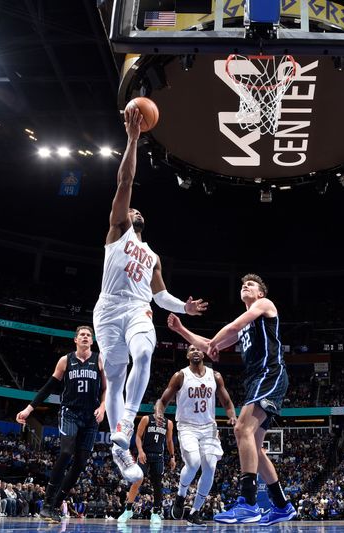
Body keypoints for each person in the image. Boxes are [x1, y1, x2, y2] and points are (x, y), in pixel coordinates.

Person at [93, 100, 207, 484]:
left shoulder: (153, 255)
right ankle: (118, 447)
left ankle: (125, 421)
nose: (134, 211)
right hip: (108, 307)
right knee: (114, 370)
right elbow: (125, 182)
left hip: (138, 308)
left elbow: (161, 298)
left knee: (144, 351)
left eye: (139, 211)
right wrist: (132, 139)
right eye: (132, 210)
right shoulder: (116, 231)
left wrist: (185, 308)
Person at [166, 274, 296, 525]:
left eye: (251, 285)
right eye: (242, 285)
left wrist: (215, 344)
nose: (245, 286)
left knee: (241, 428)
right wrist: (181, 329)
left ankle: (248, 503)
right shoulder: (246, 326)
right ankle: (281, 506)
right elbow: (207, 345)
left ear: (260, 293)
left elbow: (228, 332)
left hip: (269, 374)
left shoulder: (265, 305)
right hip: (256, 379)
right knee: (254, 448)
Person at [16, 325, 106, 522]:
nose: (85, 337)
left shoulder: (99, 359)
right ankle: (47, 504)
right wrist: (29, 409)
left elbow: (107, 388)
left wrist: (104, 406)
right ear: (75, 340)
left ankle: (57, 504)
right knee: (66, 453)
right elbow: (49, 387)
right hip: (70, 412)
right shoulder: (66, 360)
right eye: (81, 334)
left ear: (92, 340)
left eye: (88, 335)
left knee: (81, 463)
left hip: (91, 417)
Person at [153, 346, 237, 526]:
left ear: (204, 353)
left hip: (209, 427)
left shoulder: (215, 376)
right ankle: (181, 496)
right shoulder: (180, 376)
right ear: (187, 355)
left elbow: (227, 402)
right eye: (192, 349)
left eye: (199, 349)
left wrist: (232, 416)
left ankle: (194, 511)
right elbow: (162, 401)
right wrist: (159, 413)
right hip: (187, 426)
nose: (196, 351)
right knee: (194, 462)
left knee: (210, 467)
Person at [117, 413, 176, 526]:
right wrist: (140, 451)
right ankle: (128, 510)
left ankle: (155, 513)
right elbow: (138, 436)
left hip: (158, 457)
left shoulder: (168, 423)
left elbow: (169, 441)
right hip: (145, 454)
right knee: (137, 479)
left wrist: (172, 457)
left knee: (157, 485)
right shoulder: (146, 419)